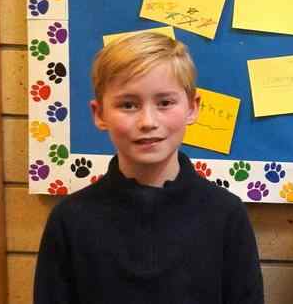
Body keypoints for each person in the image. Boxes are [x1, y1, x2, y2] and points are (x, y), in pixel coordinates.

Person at [33, 32, 263, 304]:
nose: (148, 121)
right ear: (99, 114)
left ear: (193, 107)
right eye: (128, 105)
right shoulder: (69, 221)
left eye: (165, 103)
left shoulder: (226, 215)